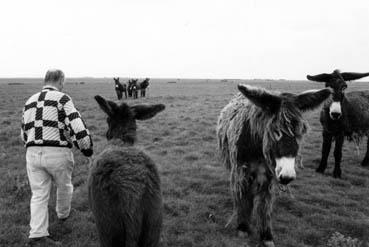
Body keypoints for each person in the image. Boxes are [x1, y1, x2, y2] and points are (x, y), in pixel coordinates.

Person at [21, 69, 93, 246]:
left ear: (45, 80)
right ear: (61, 81)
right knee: (65, 186)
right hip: (57, 152)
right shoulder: (63, 98)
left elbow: (23, 133)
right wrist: (87, 148)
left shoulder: (29, 101)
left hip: (32, 152)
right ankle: (63, 215)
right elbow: (77, 126)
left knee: (38, 194)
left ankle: (37, 234)